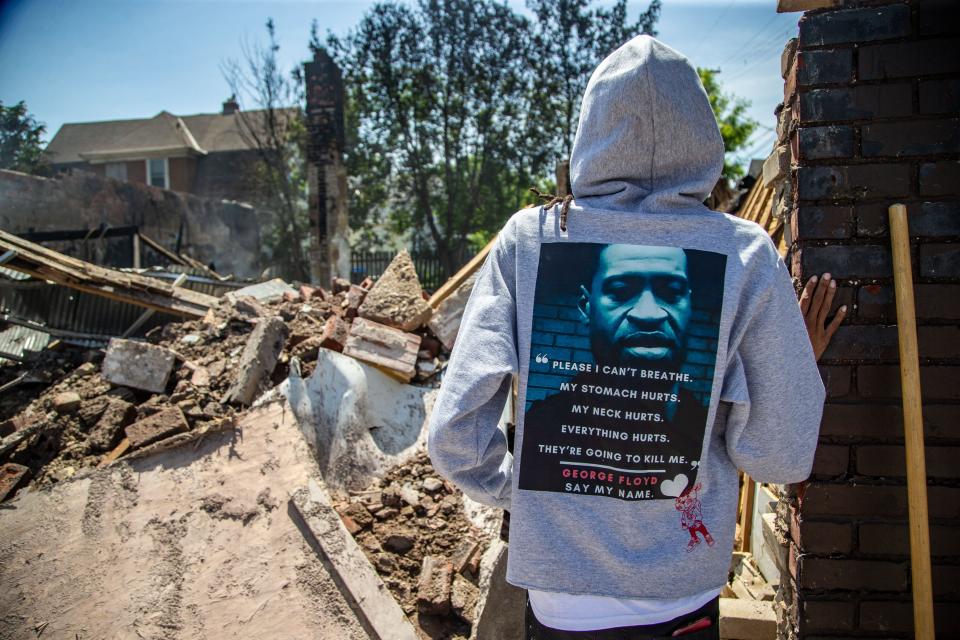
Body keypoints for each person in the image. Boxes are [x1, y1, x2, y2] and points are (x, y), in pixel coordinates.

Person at [428, 35, 826, 639]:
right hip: (682, 593)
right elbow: (780, 456)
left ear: (592, 130)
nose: (645, 312)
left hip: (561, 600)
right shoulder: (743, 252)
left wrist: (528, 495)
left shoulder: (529, 241)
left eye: (668, 293)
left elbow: (454, 434)